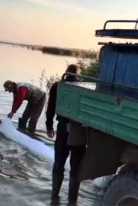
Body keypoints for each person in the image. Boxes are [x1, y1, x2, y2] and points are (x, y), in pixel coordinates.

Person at [45, 64, 86, 203]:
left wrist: (49, 126)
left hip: (63, 128)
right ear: (79, 74)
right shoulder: (85, 87)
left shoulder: (58, 85)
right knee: (76, 166)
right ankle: (72, 200)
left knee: (59, 163)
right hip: (80, 130)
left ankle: (54, 196)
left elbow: (50, 106)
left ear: (66, 72)